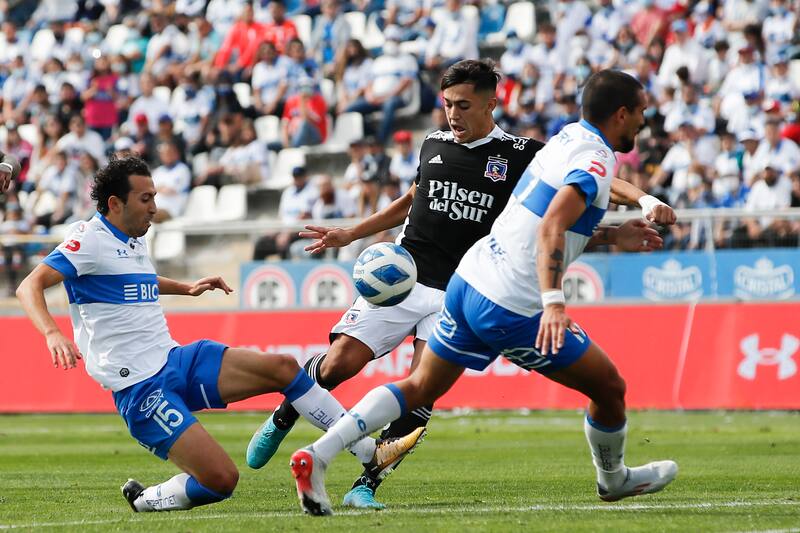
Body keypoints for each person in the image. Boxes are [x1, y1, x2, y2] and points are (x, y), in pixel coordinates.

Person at [246, 60, 675, 510]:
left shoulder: (533, 148)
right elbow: (544, 223)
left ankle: (348, 474)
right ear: (623, 114)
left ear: (492, 103)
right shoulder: (436, 143)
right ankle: (614, 478)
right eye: (448, 104)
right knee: (608, 387)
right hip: (443, 284)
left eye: (463, 105)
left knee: (419, 390)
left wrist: (624, 217)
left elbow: (545, 218)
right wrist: (554, 301)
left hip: (463, 281)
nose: (452, 114)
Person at [14, 156, 424, 514]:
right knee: (221, 481)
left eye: (155, 197)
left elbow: (137, 279)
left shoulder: (131, 240)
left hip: (175, 360)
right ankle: (148, 499)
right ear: (115, 204)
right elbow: (29, 286)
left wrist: (186, 287)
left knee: (283, 367)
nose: (155, 208)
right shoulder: (87, 239)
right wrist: (52, 333)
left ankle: (368, 452)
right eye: (146, 199)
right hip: (141, 389)